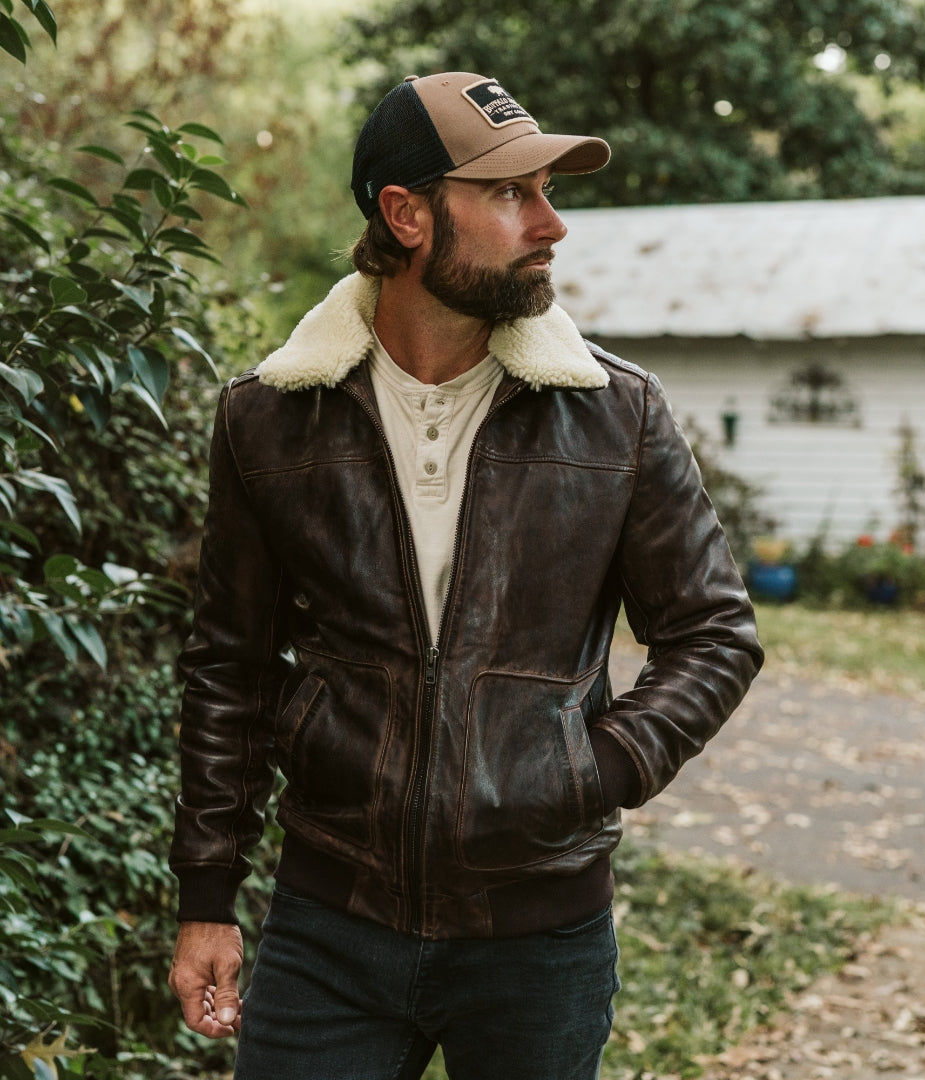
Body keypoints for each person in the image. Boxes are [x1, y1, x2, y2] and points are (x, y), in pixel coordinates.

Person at [167, 71, 764, 1080]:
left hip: (541, 938)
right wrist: (206, 902)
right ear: (405, 215)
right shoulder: (269, 420)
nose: (551, 224)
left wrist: (593, 769)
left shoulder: (617, 417)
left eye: (546, 191)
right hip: (330, 926)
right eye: (509, 193)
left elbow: (715, 635)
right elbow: (228, 663)